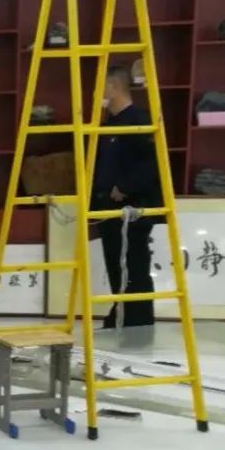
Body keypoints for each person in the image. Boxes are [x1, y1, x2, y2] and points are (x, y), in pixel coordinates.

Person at [93, 65, 161, 333]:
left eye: (101, 87)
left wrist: (125, 186)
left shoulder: (139, 120)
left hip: (132, 209)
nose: (97, 94)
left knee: (134, 265)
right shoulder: (108, 124)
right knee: (116, 265)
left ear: (113, 87)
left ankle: (138, 322)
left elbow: (152, 163)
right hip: (109, 210)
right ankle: (121, 313)